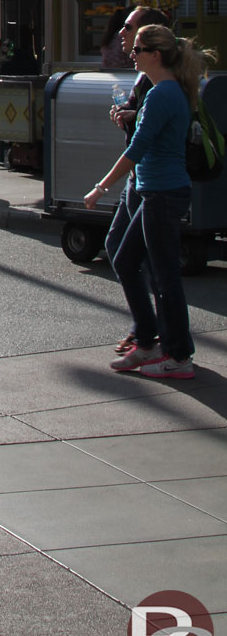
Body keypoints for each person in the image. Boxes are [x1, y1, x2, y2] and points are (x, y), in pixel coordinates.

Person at [85, 24, 216, 380]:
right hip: (155, 191)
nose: (132, 53)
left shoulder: (163, 94)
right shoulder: (165, 91)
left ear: (155, 55)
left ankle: (178, 355)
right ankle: (147, 340)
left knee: (164, 276)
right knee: (126, 258)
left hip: (162, 192)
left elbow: (137, 149)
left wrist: (101, 187)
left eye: (138, 48)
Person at [105, 7, 167, 354]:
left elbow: (148, 137)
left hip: (152, 181)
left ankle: (154, 336)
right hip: (141, 177)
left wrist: (102, 185)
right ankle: (148, 330)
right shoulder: (146, 77)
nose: (122, 36)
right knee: (121, 250)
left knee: (141, 261)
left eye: (128, 28)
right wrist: (127, 114)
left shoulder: (162, 84)